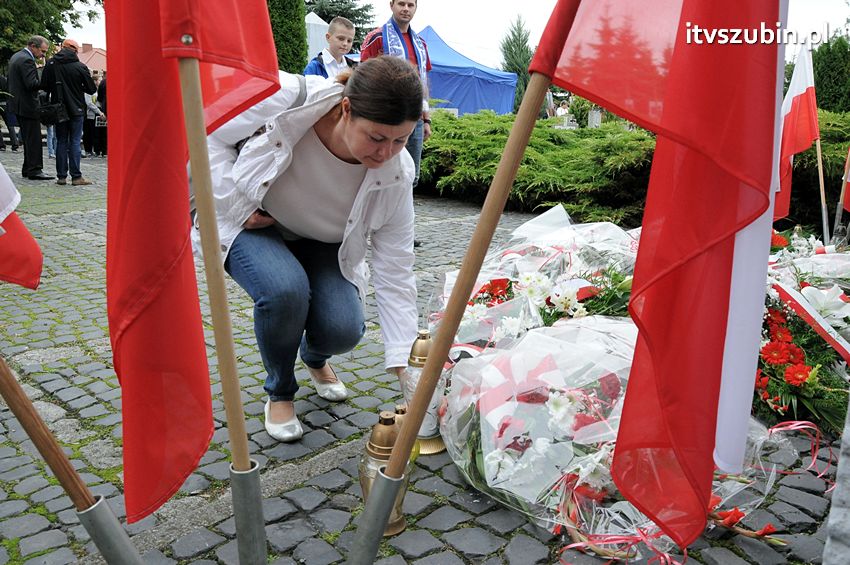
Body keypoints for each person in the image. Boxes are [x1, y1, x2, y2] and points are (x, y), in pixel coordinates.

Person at [201, 56, 421, 442]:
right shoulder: (290, 97)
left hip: (325, 243)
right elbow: (208, 134)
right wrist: (235, 202)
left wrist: (406, 368)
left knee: (344, 330)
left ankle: (315, 357)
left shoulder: (398, 174)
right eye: (376, 137)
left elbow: (395, 268)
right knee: (285, 290)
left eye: (401, 139)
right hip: (257, 222)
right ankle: (280, 390)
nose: (387, 153)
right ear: (346, 109)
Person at [360, 0, 431, 188]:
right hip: (385, 116)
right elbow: (363, 76)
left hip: (414, 118)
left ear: (416, 8)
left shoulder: (421, 43)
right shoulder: (377, 37)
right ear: (391, 5)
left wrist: (427, 120)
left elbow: (423, 81)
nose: (406, 9)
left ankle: (403, 216)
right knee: (379, 170)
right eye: (401, 3)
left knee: (411, 175)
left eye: (410, 5)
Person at [40, 39, 97, 186]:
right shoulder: (80, 66)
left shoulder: (51, 64)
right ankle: (76, 177)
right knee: (75, 141)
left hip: (58, 109)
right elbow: (91, 89)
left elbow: (44, 85)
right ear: (74, 50)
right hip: (76, 109)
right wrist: (78, 88)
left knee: (61, 141)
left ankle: (61, 176)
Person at [7, 36, 52, 180]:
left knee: (28, 138)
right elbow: (31, 84)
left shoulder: (17, 56)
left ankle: (28, 168)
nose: (43, 55)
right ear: (33, 46)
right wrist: (45, 80)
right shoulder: (27, 60)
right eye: (42, 51)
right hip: (27, 105)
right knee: (34, 139)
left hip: (18, 104)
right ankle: (35, 170)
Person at [82, 77, 104, 158]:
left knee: (94, 133)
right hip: (89, 115)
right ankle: (88, 150)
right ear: (94, 81)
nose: (99, 81)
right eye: (98, 80)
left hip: (95, 114)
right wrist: (98, 111)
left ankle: (94, 150)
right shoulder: (88, 91)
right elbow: (89, 103)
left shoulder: (98, 90)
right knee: (88, 133)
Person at [0, 75, 19, 153]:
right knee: (10, 125)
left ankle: (1, 145)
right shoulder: (3, 79)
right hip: (5, 103)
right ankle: (14, 145)